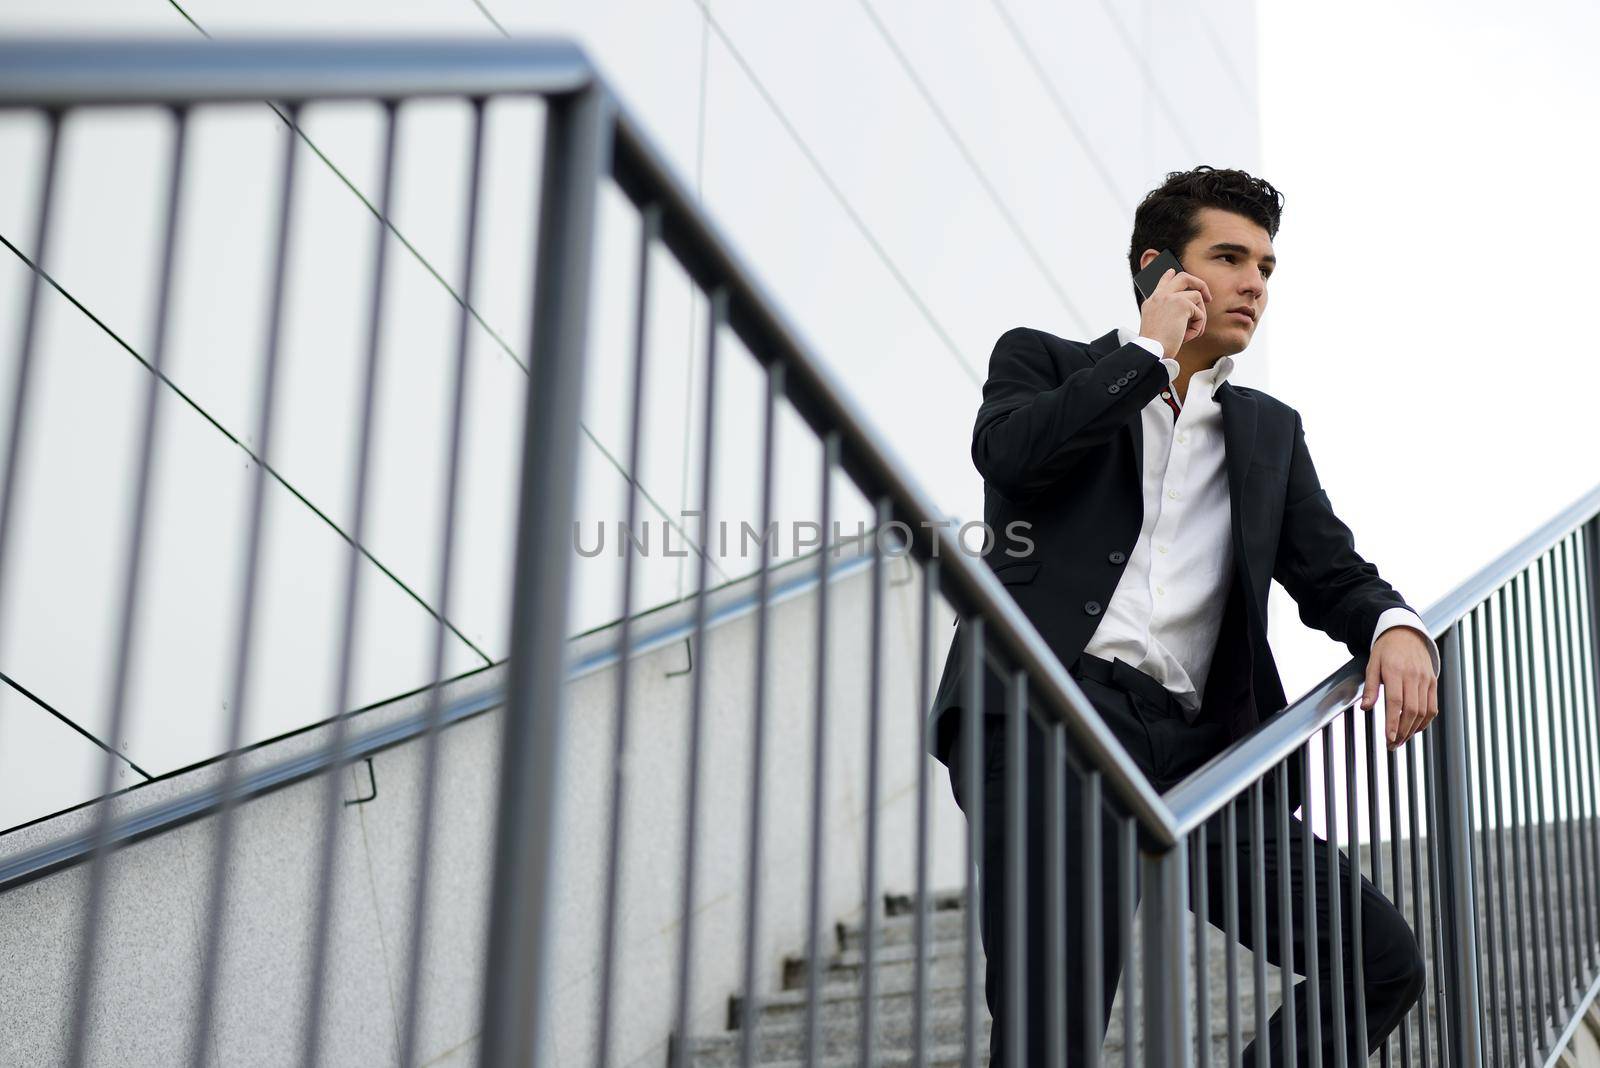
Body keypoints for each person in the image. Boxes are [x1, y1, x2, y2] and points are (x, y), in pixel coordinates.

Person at [924, 166, 1440, 1065]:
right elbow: (1010, 457)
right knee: (1055, 1021)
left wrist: (1393, 623)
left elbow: (1331, 571)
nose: (1255, 284)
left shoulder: (1268, 432)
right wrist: (1144, 358)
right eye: (1231, 257)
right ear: (1160, 268)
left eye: (1268, 268)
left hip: (1203, 752)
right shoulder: (1046, 362)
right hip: (1056, 718)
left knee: (1380, 962)